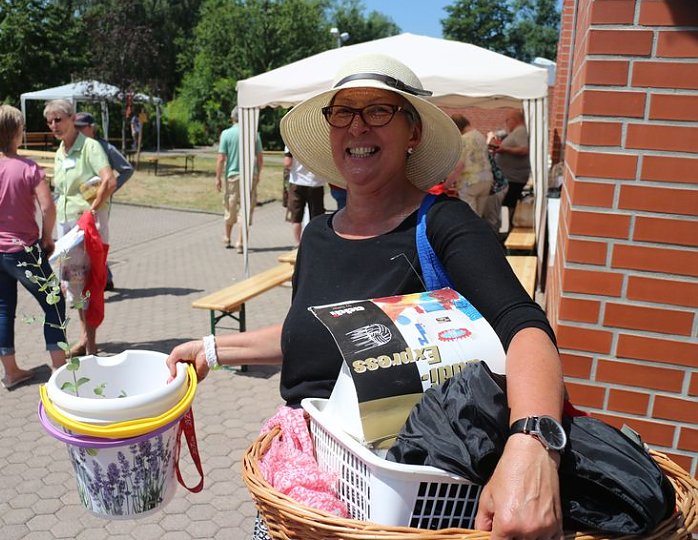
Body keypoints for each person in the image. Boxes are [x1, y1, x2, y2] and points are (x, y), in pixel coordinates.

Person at [168, 54, 564, 539]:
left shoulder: (443, 226)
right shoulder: (317, 235)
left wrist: (532, 444)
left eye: (378, 110)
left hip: (400, 500)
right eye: (343, 112)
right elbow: (312, 334)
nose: (357, 126)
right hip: (296, 490)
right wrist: (211, 349)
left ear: (413, 132)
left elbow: (525, 328)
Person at [0, 105, 67, 390]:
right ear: (16, 133)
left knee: (1, 308)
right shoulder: (29, 169)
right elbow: (48, 208)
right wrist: (47, 239)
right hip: (23, 251)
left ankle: (11, 372)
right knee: (54, 302)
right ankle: (59, 368)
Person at [44, 99, 116, 356]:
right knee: (74, 284)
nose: (54, 125)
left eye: (58, 119)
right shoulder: (60, 151)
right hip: (67, 230)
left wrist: (92, 209)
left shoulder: (89, 147)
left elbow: (109, 180)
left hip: (86, 229)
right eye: (50, 121)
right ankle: (86, 339)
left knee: (88, 284)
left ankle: (91, 346)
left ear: (72, 119)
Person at [74, 111, 134, 290]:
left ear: (91, 128)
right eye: (75, 127)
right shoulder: (75, 146)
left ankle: (104, 279)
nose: (77, 131)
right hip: (78, 204)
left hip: (99, 203)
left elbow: (127, 169)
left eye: (81, 127)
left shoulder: (105, 147)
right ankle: (96, 280)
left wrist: (110, 189)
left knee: (97, 240)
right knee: (81, 242)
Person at [217, 106, 263, 253]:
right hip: (250, 176)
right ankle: (241, 242)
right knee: (246, 209)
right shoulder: (254, 134)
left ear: (232, 117)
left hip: (233, 176)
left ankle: (227, 237)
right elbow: (260, 158)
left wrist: (218, 178)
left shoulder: (226, 134)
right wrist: (258, 174)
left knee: (230, 205)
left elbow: (221, 158)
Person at [444, 114, 493, 217]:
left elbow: (459, 166)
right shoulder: (480, 136)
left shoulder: (463, 140)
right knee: (479, 216)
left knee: (470, 216)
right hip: (487, 179)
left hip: (469, 181)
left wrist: (447, 185)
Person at [494, 109, 530, 228]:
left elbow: (524, 149)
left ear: (514, 120)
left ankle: (505, 228)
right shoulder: (518, 132)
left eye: (507, 120)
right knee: (507, 203)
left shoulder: (520, 131)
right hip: (511, 176)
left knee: (507, 203)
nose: (506, 123)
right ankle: (505, 226)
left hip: (513, 177)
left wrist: (504, 149)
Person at [284, 146, 325, 244]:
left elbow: (287, 163)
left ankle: (298, 243)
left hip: (297, 181)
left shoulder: (291, 143)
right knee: (316, 216)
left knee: (296, 216)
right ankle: (314, 241)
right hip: (316, 182)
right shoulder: (320, 144)